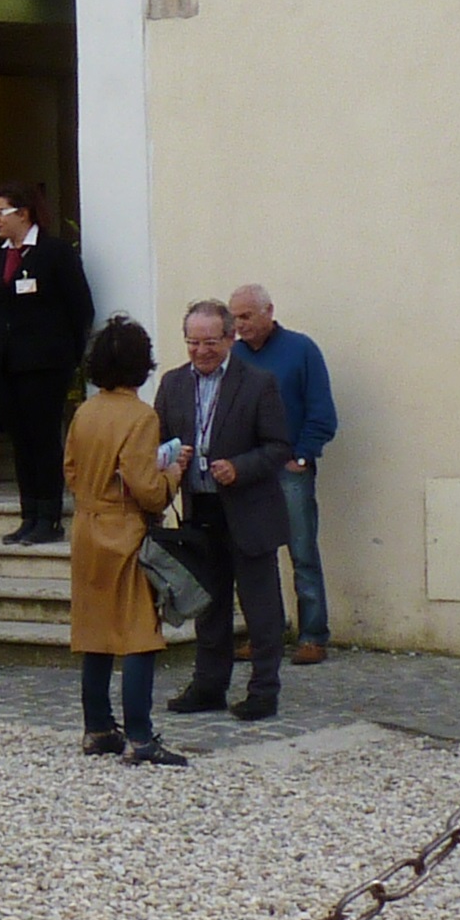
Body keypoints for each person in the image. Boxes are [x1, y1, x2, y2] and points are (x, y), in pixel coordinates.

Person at [154, 299, 296, 723]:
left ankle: (263, 690)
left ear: (230, 338)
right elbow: (158, 441)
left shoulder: (258, 383)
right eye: (193, 342)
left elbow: (278, 447)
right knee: (209, 605)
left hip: (249, 509)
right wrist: (170, 461)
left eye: (210, 342)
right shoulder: (173, 384)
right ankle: (209, 685)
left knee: (260, 606)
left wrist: (240, 467)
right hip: (201, 509)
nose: (201, 351)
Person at [65, 315, 187, 765]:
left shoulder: (85, 411)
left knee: (94, 630)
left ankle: (97, 727)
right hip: (124, 526)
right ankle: (140, 734)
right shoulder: (140, 416)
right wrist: (171, 474)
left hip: (87, 523)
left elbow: (72, 470)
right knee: (139, 633)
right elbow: (148, 489)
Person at [226, 283, 339, 664]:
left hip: (290, 467)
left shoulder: (301, 350)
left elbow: (321, 410)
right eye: (235, 318)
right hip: (249, 469)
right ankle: (265, 635)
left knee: (302, 550)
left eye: (246, 316)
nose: (240, 325)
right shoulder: (234, 357)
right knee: (257, 556)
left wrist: (303, 456)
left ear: (268, 311)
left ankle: (313, 634)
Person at [0, 185, 97, 544]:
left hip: (45, 364)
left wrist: (68, 355)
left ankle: (49, 516)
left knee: (43, 439)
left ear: (24, 213)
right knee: (20, 440)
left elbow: (80, 307)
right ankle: (29, 513)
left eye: (1, 212)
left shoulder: (54, 253)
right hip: (9, 364)